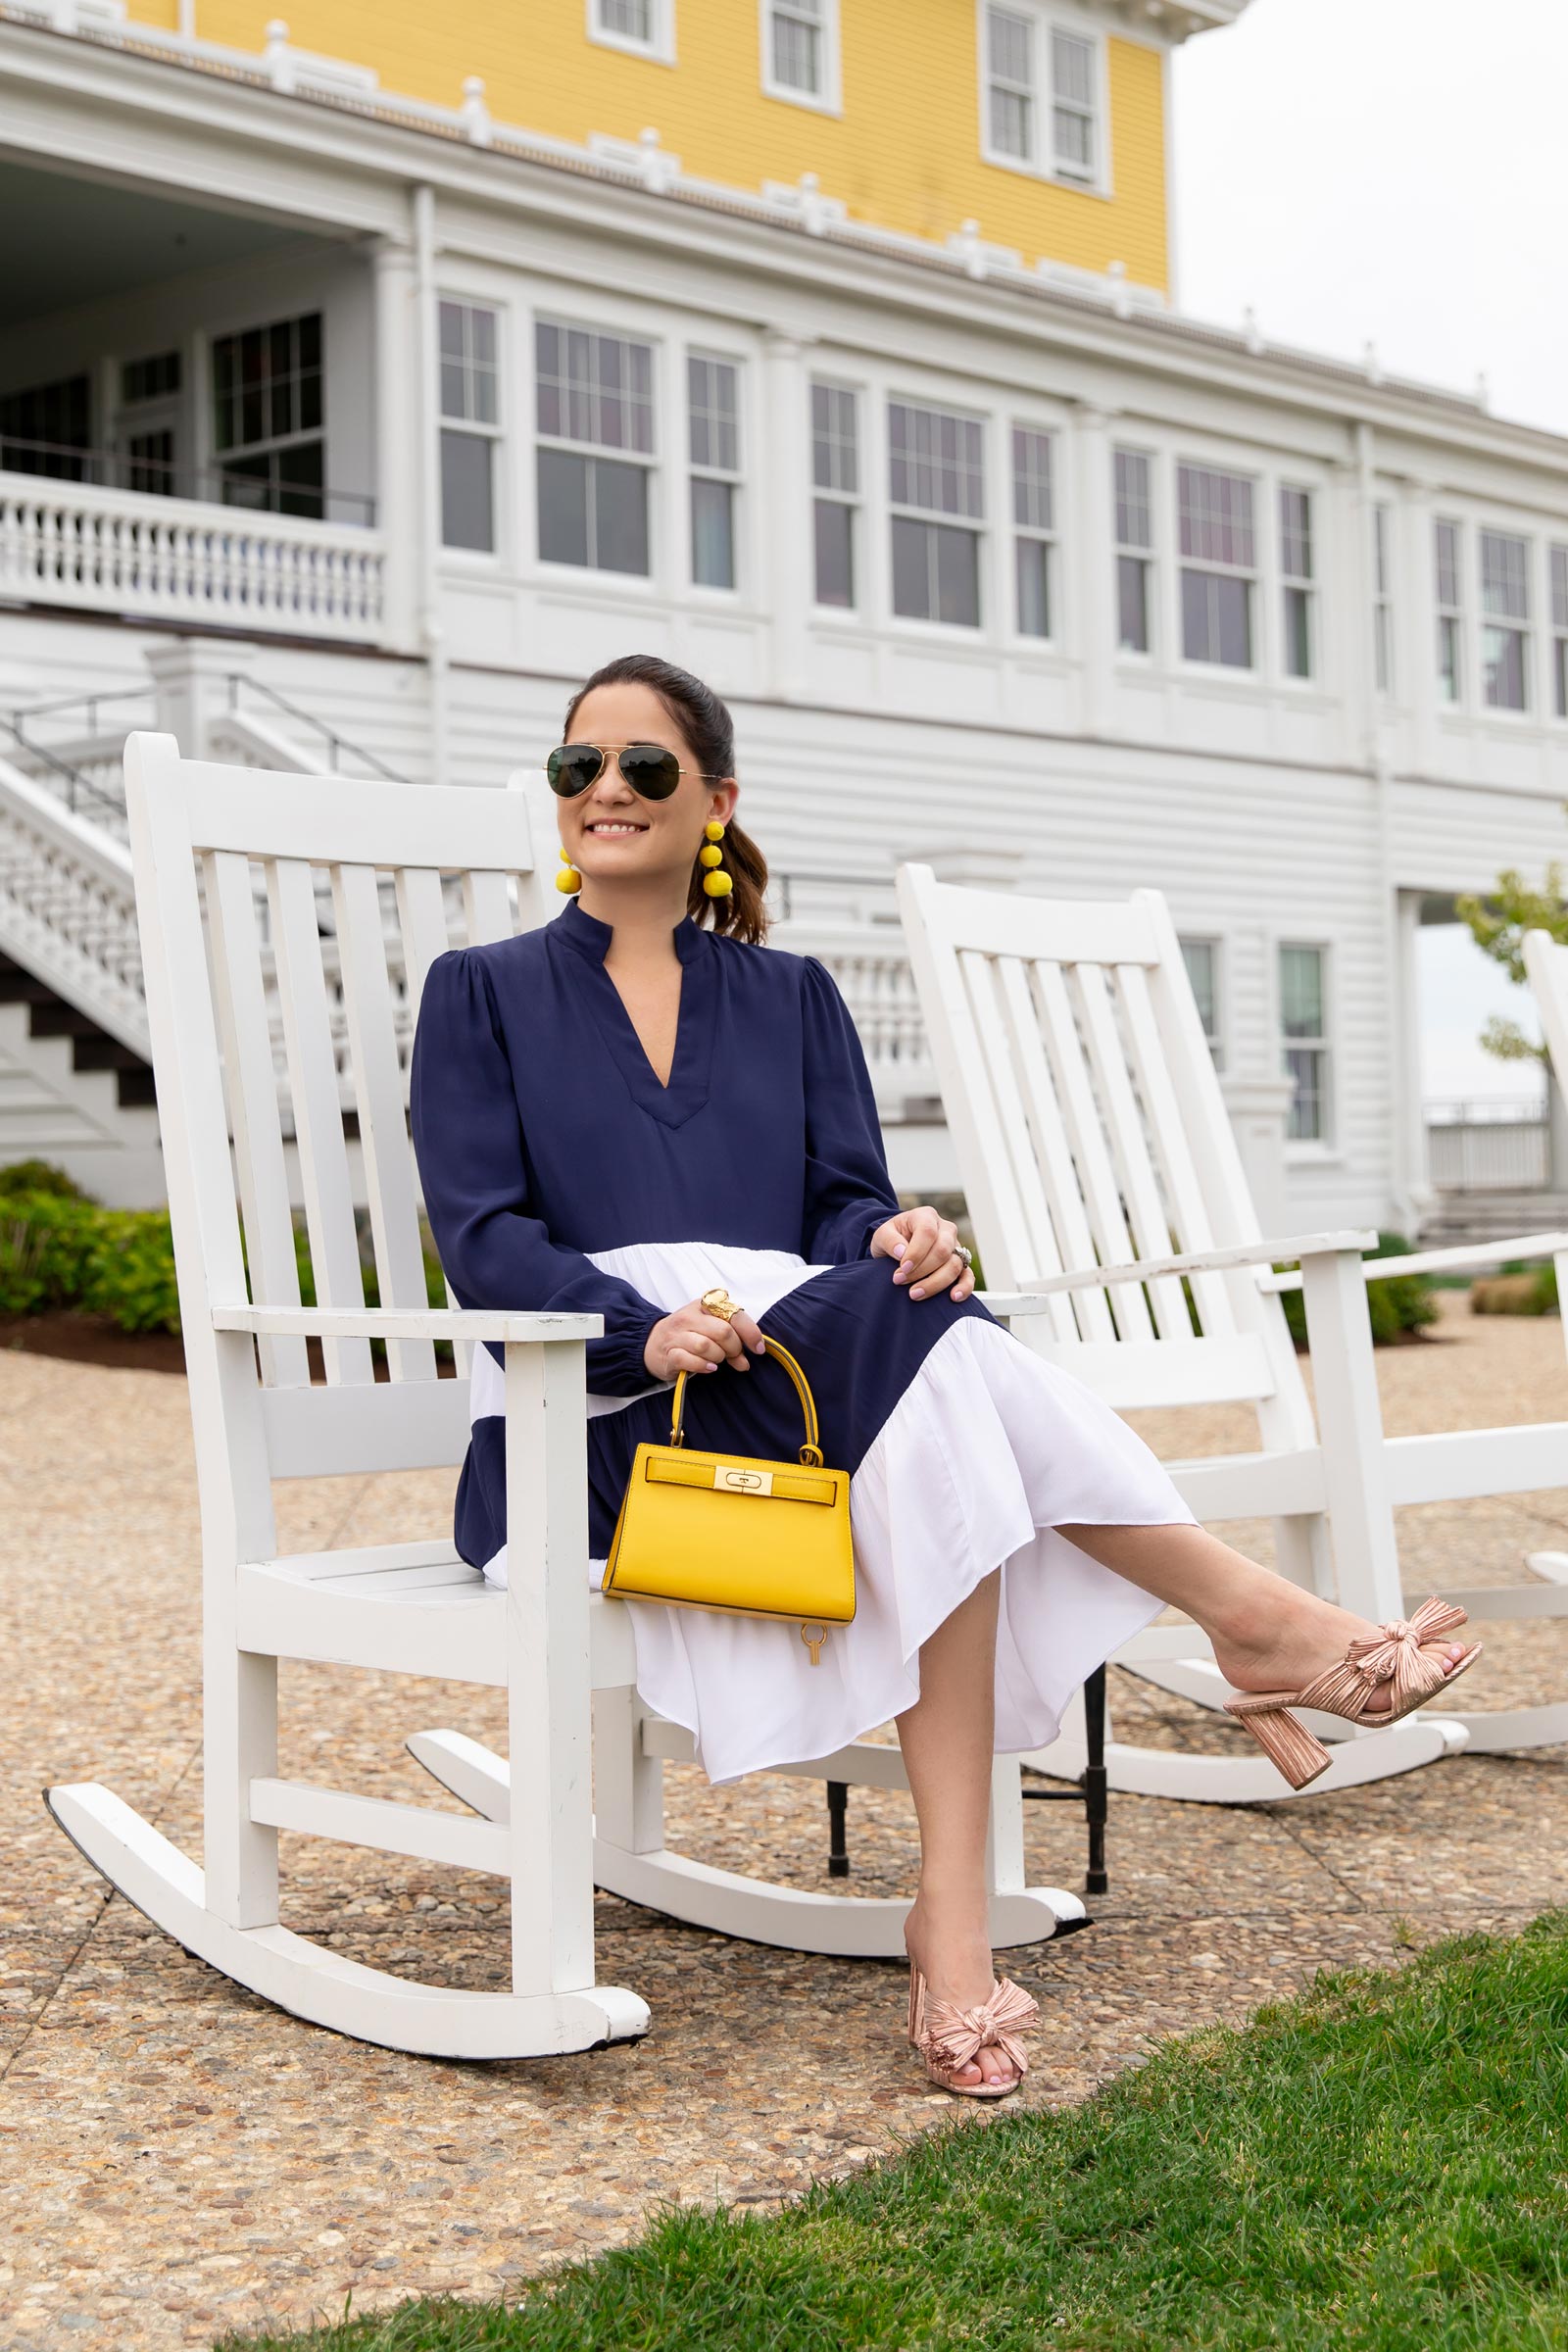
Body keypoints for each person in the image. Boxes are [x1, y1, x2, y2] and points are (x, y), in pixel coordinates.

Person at [410, 653, 1480, 2099]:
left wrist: (898, 1233)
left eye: (645, 767)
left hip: (796, 1402)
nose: (606, 789)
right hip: (592, 1432)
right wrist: (633, 1327)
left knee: (939, 1385)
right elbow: (480, 1239)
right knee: (949, 1374)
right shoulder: (479, 993)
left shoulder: (792, 998)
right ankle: (1252, 1624)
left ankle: (956, 1932)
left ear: (714, 801)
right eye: (577, 766)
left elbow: (842, 1206)